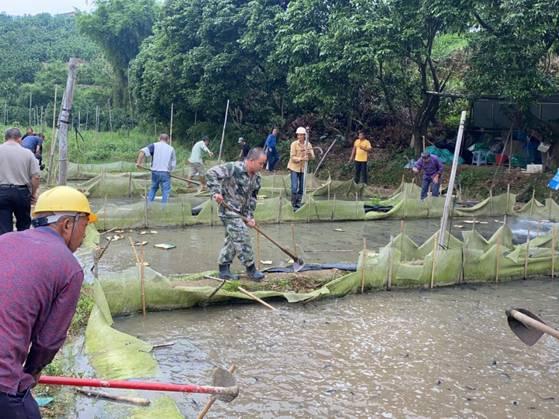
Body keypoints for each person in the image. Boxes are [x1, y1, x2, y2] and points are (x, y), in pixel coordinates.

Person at [0, 185, 96, 418]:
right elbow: (48, 340)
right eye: (85, 226)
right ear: (67, 225)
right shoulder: (69, 267)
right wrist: (32, 372)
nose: (84, 236)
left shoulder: (5, 239)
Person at [206, 148, 267, 281]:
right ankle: (251, 270)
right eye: (260, 163)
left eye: (263, 164)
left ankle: (224, 270)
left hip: (241, 213)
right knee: (242, 237)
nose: (262, 167)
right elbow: (211, 173)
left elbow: (253, 198)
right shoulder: (233, 168)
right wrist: (216, 192)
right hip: (228, 210)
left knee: (232, 241)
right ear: (251, 161)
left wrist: (250, 216)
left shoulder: (257, 178)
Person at [0, 128, 40, 235]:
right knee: (24, 227)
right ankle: (23, 249)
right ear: (20, 139)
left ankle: (5, 250)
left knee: (3, 229)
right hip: (22, 193)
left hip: (2, 193)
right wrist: (33, 193)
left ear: (5, 138)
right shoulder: (28, 153)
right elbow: (36, 177)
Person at [136, 133, 176, 204]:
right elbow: (173, 164)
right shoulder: (171, 149)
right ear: (168, 140)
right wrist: (170, 172)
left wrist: (138, 163)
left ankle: (148, 205)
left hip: (155, 172)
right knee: (165, 191)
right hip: (165, 173)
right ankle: (164, 208)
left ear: (159, 138)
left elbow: (142, 152)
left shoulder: (154, 145)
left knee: (153, 188)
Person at [287, 126, 314, 210]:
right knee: (294, 186)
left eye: (301, 135)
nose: (300, 137)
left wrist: (309, 153)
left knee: (302, 187)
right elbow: (292, 157)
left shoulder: (308, 144)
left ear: (304, 135)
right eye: (298, 135)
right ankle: (293, 204)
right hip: (294, 167)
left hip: (303, 169)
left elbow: (313, 157)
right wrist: (301, 158)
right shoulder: (294, 144)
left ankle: (298, 204)